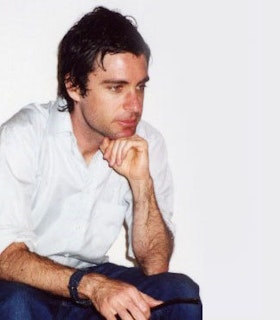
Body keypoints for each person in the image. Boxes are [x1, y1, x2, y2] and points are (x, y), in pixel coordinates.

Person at [0, 6, 202, 320]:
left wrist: (141, 183)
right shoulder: (23, 136)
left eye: (140, 87)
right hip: (24, 283)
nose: (134, 106)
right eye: (116, 88)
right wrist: (92, 286)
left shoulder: (147, 143)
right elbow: (7, 259)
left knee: (179, 294)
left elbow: (155, 265)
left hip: (92, 283)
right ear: (74, 86)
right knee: (16, 304)